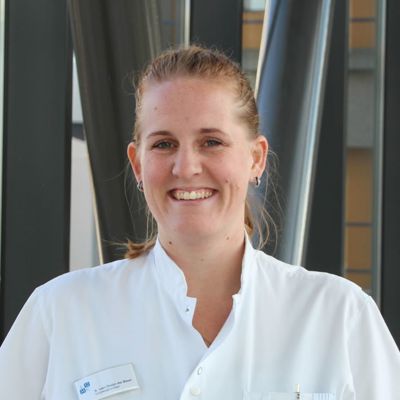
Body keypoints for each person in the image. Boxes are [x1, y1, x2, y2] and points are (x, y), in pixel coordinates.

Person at [0, 46, 399, 400]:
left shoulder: (340, 317)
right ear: (138, 164)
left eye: (212, 142)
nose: (186, 167)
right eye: (164, 144)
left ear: (256, 158)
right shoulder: (60, 315)